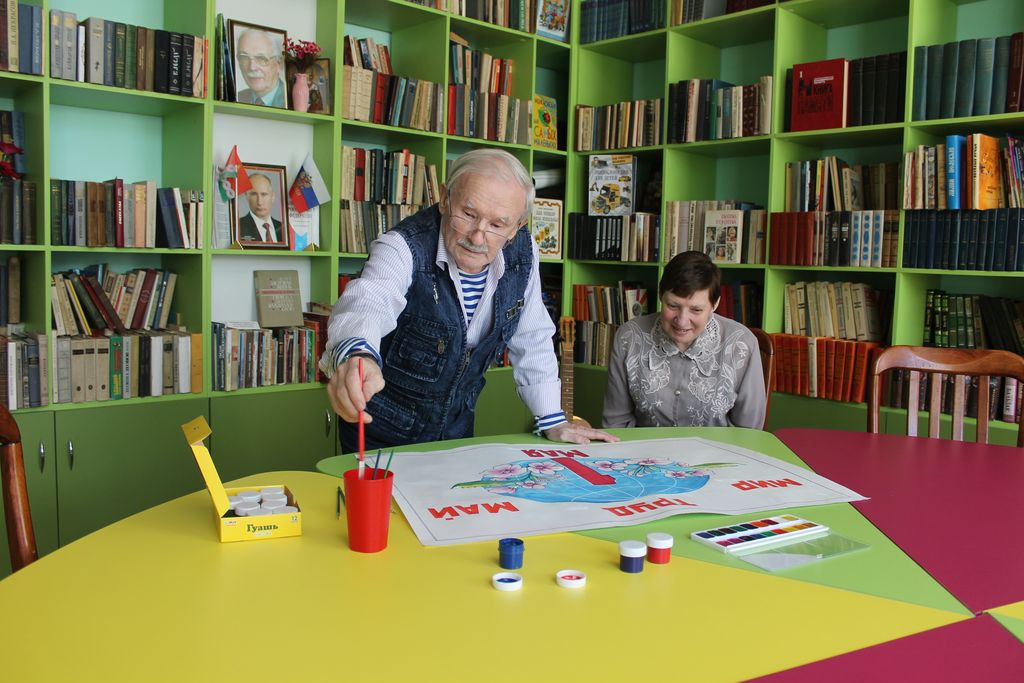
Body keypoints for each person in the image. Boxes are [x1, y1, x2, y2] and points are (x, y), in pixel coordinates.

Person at [322, 149, 618, 452]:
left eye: (497, 225)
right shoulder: (402, 246)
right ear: (445, 198)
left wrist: (552, 420)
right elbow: (369, 301)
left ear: (517, 226)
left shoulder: (524, 253)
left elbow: (532, 337)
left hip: (457, 430)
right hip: (380, 430)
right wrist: (357, 355)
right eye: (468, 214)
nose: (478, 237)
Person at [602, 250, 765, 429]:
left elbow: (748, 432)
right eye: (673, 306)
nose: (681, 321)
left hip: (718, 448)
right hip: (643, 447)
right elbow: (616, 423)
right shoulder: (629, 337)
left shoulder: (742, 345)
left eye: (696, 310)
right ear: (661, 295)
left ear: (715, 304)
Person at [236, 29, 286, 108]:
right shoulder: (237, 98)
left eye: (261, 58)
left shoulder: (290, 101)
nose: (252, 67)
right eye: (244, 58)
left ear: (278, 64)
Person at [238, 173, 284, 243]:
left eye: (264, 194)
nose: (259, 202)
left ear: (273, 197)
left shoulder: (283, 228)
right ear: (247, 196)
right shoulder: (238, 227)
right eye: (254, 194)